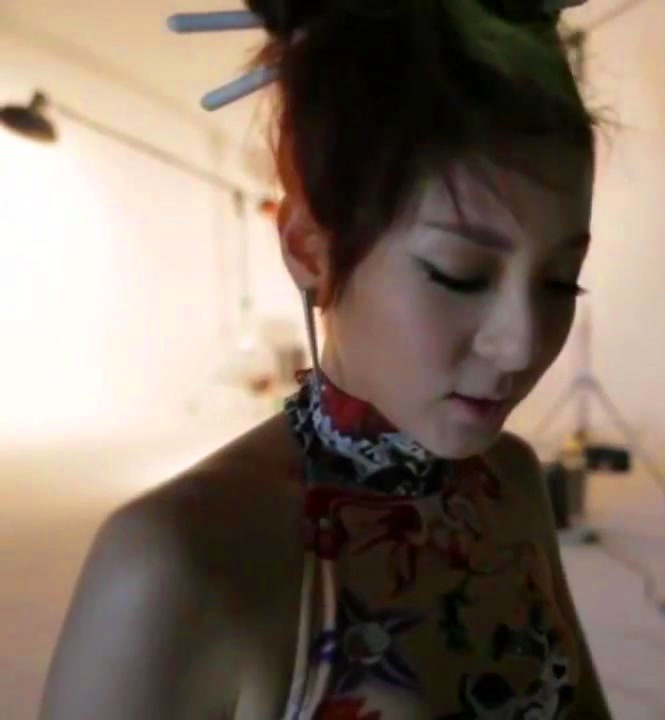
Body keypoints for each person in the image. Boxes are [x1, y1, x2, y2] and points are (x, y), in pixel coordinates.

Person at [39, 1, 613, 718]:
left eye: (560, 281)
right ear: (309, 248)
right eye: (459, 274)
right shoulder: (175, 563)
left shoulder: (512, 483)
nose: (522, 343)